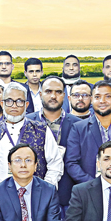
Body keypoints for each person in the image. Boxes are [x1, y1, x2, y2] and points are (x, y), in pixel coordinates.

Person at [26, 76, 83, 208]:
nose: (53, 96)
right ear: (41, 94)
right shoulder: (27, 122)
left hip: (69, 197)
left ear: (64, 96)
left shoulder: (79, 125)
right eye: (48, 91)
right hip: (32, 195)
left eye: (58, 92)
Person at [0, 82, 63, 186]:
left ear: (26, 105)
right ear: (2, 104)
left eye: (19, 101)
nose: (14, 106)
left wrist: (46, 188)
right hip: (2, 191)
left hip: (36, 191)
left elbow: (55, 163)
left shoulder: (41, 130)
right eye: (9, 101)